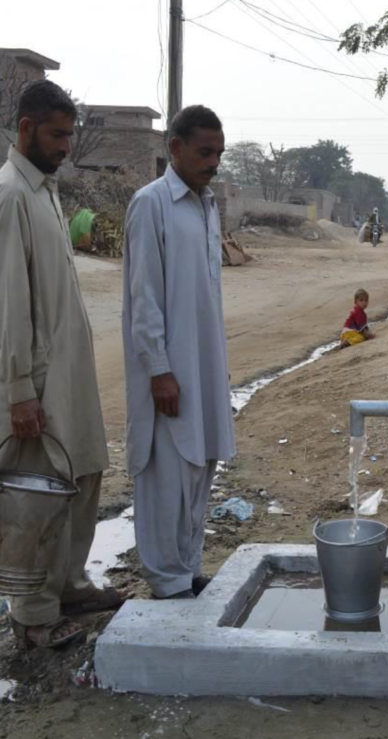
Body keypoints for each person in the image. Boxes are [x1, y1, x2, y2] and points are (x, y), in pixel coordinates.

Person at [0, 80, 123, 648]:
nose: (66, 145)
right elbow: (9, 305)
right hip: (39, 379)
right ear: (25, 128)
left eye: (70, 135)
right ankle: (32, 617)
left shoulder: (46, 190)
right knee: (38, 491)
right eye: (57, 134)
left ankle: (70, 584)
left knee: (85, 471)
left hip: (71, 370)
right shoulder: (10, 195)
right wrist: (19, 389)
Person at [122, 105, 236, 600]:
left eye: (219, 153)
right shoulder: (151, 204)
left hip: (204, 364)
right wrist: (159, 370)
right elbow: (143, 296)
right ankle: (166, 579)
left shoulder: (207, 205)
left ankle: (188, 570)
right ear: (175, 148)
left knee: (199, 467)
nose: (213, 162)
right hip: (167, 371)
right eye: (204, 151)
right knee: (166, 475)